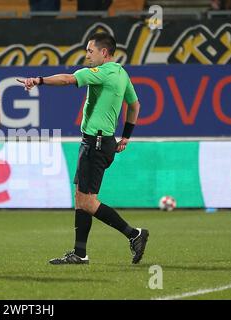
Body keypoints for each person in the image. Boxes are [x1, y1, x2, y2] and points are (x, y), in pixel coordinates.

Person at [17, 32, 149, 265]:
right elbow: (135, 105)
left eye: (90, 50)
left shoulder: (103, 72)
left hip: (96, 144)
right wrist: (126, 136)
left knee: (87, 202)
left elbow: (68, 79)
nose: (87, 55)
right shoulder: (121, 73)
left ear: (104, 52)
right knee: (81, 199)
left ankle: (134, 234)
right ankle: (80, 253)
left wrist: (38, 80)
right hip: (101, 142)